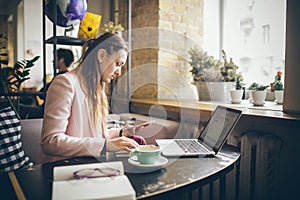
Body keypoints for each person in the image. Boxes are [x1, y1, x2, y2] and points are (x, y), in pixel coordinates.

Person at [40, 33, 146, 163]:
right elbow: (51, 141)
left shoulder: (96, 90)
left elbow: (92, 135)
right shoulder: (65, 83)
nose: (119, 72)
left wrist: (121, 133)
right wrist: (105, 145)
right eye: (118, 63)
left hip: (88, 165)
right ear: (101, 55)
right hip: (62, 168)